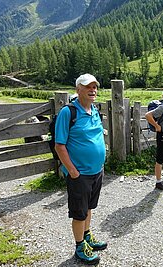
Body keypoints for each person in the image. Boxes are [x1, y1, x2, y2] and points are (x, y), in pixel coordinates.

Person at [55, 73, 107, 265]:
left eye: (95, 87)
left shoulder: (94, 110)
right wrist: (73, 171)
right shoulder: (68, 113)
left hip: (96, 171)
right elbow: (59, 145)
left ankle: (87, 236)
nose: (93, 90)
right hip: (80, 174)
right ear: (78, 90)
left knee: (89, 208)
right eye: (88, 87)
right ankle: (79, 247)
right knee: (79, 212)